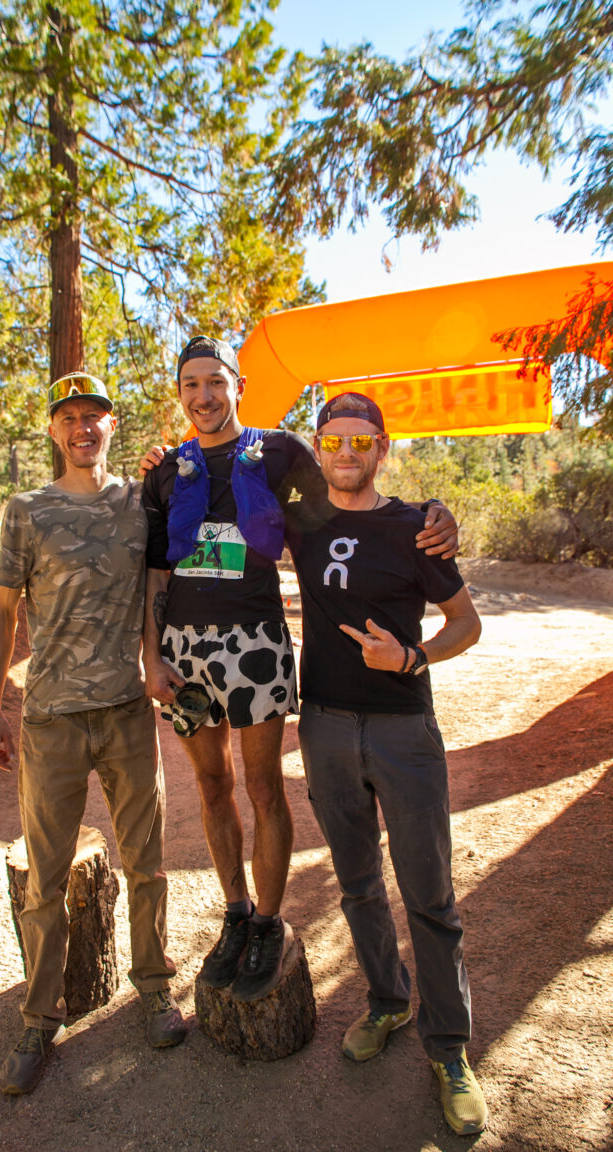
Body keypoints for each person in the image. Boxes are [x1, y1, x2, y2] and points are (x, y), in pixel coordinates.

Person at [141, 336, 458, 1004]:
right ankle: (234, 911)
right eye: (191, 384)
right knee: (209, 783)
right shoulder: (167, 471)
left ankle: (266, 919)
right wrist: (151, 654)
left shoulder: (281, 451)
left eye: (216, 382)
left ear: (239, 385)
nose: (204, 395)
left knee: (261, 783)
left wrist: (433, 515)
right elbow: (153, 571)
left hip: (255, 643)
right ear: (180, 392)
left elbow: (347, 500)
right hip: (185, 649)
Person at [286, 391, 488, 1136]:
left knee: (429, 894)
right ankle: (388, 1002)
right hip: (325, 727)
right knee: (359, 885)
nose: (345, 454)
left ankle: (450, 1049)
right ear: (318, 448)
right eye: (332, 442)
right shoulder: (302, 520)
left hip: (404, 730)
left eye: (359, 441)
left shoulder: (415, 528)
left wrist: (412, 657)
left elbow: (466, 622)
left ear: (382, 445)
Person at [0, 372, 185, 1098]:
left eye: (93, 415)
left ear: (110, 423)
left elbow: (165, 580)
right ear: (53, 431)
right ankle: (39, 1018)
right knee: (45, 882)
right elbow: (3, 614)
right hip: (51, 721)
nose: (82, 427)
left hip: (127, 713)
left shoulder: (138, 504)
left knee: (148, 864)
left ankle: (156, 990)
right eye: (68, 417)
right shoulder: (27, 511)